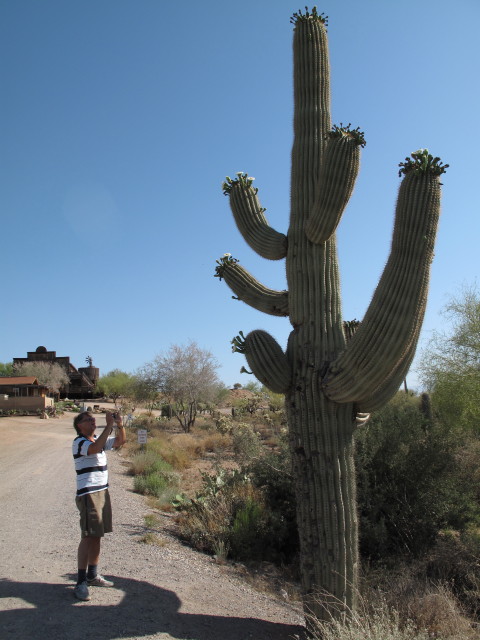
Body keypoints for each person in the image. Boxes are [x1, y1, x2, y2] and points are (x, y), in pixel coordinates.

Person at [72, 409, 126, 601]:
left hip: (102, 491)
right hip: (88, 494)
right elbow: (94, 449)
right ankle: (80, 582)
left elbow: (120, 442)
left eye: (94, 419)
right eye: (88, 420)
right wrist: (109, 426)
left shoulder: (97, 440)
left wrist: (119, 425)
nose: (93, 422)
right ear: (80, 425)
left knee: (97, 536)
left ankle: (92, 575)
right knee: (88, 536)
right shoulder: (80, 442)